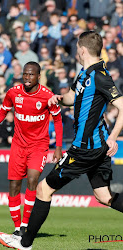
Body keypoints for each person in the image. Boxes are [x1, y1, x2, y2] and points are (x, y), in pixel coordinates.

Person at [9, 31, 123, 250]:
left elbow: (122, 106)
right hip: (95, 147)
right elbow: (72, 97)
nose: (76, 53)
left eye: (77, 49)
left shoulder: (100, 75)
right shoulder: (83, 73)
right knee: (103, 196)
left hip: (85, 149)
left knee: (43, 189)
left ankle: (24, 242)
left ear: (81, 49)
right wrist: (58, 98)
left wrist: (113, 137)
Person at [0, 61, 63, 248]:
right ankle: (17, 227)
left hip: (38, 146)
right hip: (18, 146)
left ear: (39, 76)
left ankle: (25, 225)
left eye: (31, 74)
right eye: (25, 74)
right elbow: (2, 113)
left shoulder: (47, 96)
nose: (27, 77)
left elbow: (57, 121)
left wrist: (58, 147)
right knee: (14, 187)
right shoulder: (13, 93)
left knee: (33, 180)